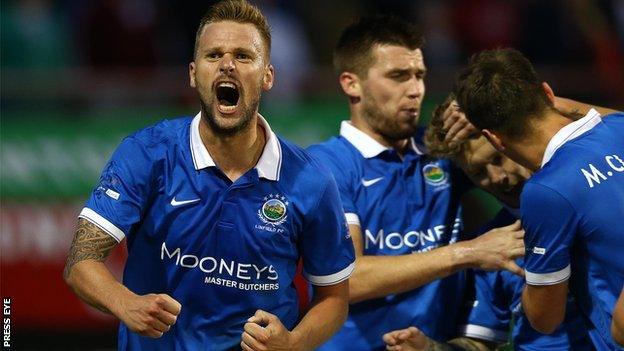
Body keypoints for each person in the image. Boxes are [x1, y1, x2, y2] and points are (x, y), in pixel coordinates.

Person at [62, 1, 355, 350]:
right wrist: (126, 303)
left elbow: (334, 297)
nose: (227, 65)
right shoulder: (147, 153)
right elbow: (80, 259)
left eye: (244, 56)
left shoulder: (312, 180)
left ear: (268, 76)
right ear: (192, 73)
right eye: (213, 55)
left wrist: (293, 343)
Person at [306, 16, 525, 350]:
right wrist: (468, 252)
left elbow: (533, 169)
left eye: (419, 75)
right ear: (351, 84)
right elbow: (347, 279)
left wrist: (485, 115)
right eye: (398, 76)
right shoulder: (324, 167)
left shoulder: (440, 150)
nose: (415, 90)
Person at [384, 95, 596, 351]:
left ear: (506, 141)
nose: (497, 178)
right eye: (478, 172)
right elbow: (479, 344)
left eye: (496, 159)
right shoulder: (492, 248)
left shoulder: (592, 188)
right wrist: (432, 349)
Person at [454, 48, 624, 350]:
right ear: (547, 93)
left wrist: (532, 269)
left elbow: (546, 318)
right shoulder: (617, 127)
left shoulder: (545, 191)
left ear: (494, 138)